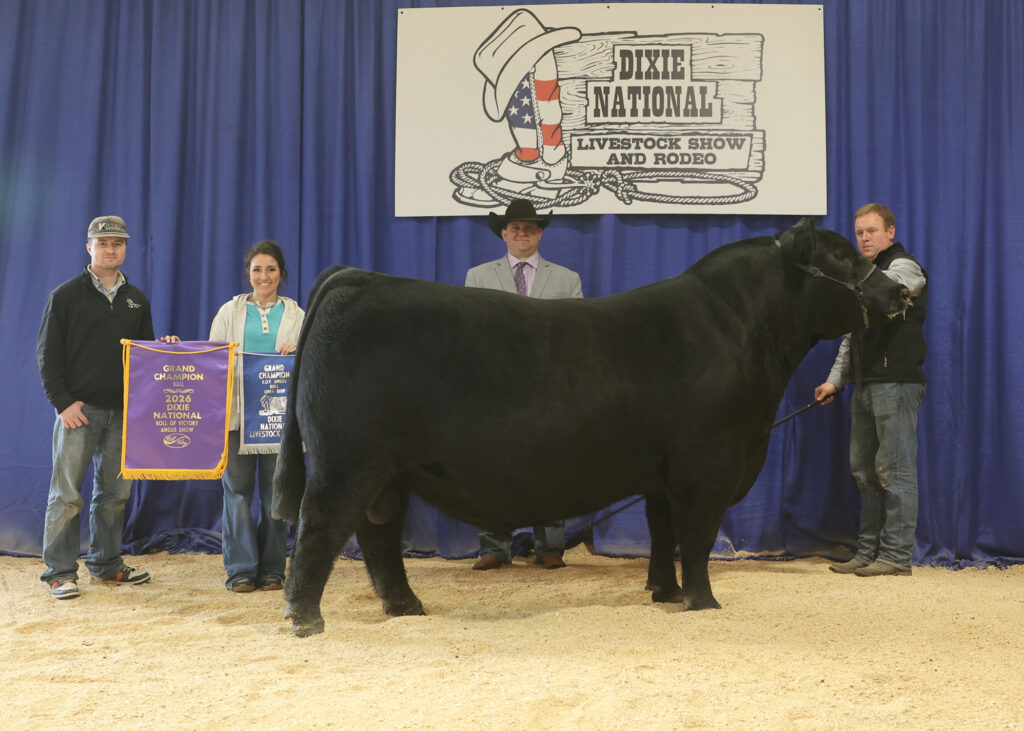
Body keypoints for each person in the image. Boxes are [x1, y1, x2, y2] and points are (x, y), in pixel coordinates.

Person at [37, 215, 179, 600]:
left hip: (124, 413)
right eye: (103, 243)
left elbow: (144, 357)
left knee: (114, 494)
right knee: (66, 494)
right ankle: (59, 572)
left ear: (125, 249)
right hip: (79, 412)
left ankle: (106, 564)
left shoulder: (137, 299)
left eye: (118, 243)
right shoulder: (65, 296)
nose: (111, 249)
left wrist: (164, 347)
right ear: (90, 248)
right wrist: (63, 403)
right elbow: (47, 356)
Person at [464, 199, 583, 570]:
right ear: (503, 233)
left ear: (540, 233)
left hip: (548, 388)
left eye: (529, 228)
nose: (521, 234)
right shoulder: (477, 277)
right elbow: (469, 331)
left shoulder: (567, 279)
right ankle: (494, 546)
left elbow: (578, 335)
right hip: (494, 387)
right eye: (515, 228)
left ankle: (549, 547)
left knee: (551, 464)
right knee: (490, 464)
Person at [814, 203, 927, 577]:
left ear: (889, 233)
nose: (864, 237)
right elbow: (851, 337)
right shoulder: (861, 277)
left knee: (893, 471)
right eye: (860, 232)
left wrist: (850, 286)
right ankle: (868, 551)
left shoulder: (904, 265)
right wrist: (835, 380)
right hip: (865, 385)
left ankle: (895, 557)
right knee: (864, 471)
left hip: (896, 382)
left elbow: (897, 289)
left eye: (872, 231)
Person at [209, 241, 305, 592]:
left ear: (281, 274)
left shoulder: (297, 315)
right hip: (236, 418)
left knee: (276, 494)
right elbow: (212, 360)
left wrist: (300, 349)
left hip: (277, 422)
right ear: (248, 274)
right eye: (257, 269)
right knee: (236, 493)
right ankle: (240, 570)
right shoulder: (229, 312)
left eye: (271, 269)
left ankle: (273, 570)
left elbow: (310, 366)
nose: (263, 276)